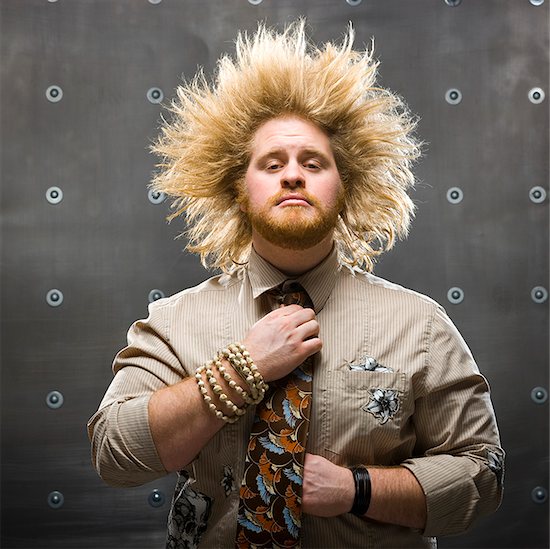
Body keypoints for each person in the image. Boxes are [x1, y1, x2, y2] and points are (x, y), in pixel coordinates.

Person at [88, 20, 504, 549]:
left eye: (313, 162)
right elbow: (114, 455)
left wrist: (359, 487)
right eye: (272, 163)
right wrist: (240, 370)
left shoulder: (418, 325)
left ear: (344, 188)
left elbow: (483, 476)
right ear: (239, 192)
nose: (292, 176)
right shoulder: (174, 323)